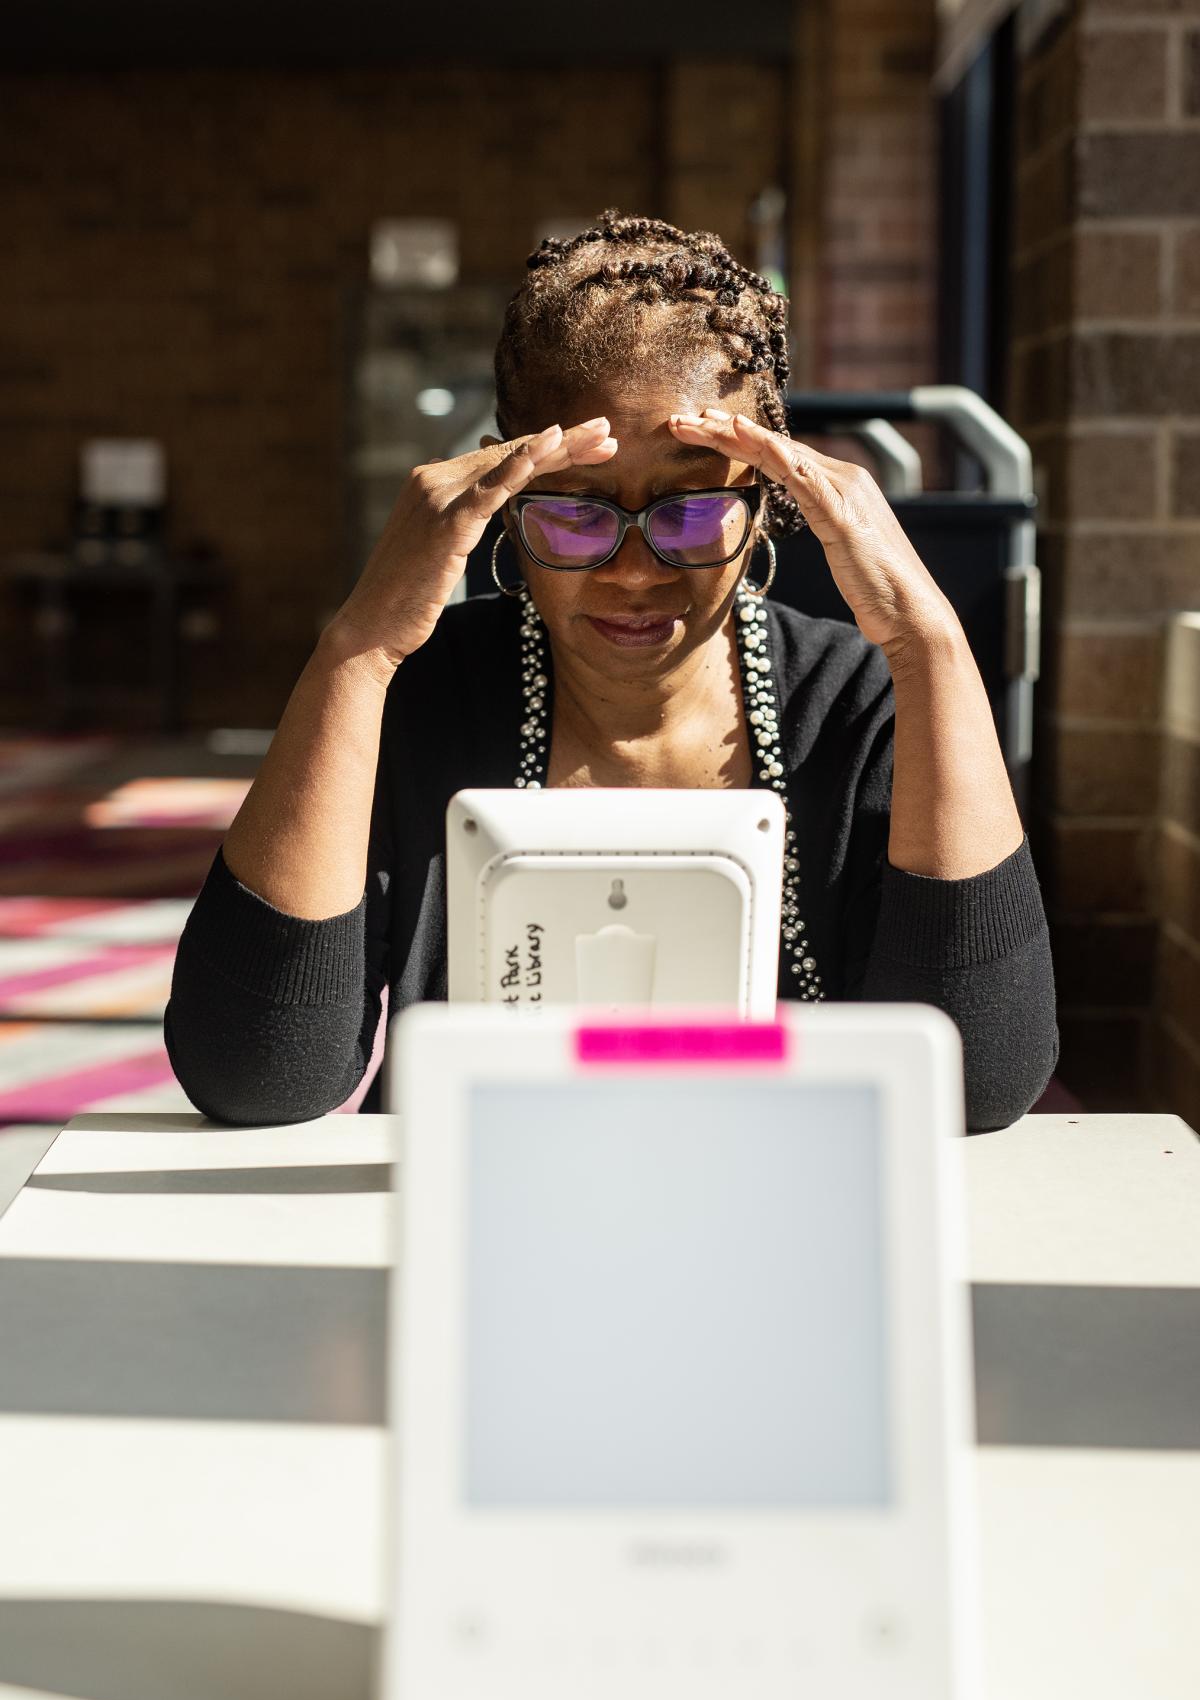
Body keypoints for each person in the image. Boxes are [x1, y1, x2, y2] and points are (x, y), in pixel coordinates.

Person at [166, 210, 1058, 1133]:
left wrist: (931, 646)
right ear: (503, 508)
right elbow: (256, 1074)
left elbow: (977, 1079)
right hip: (477, 1223)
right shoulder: (414, 696)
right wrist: (354, 653)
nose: (635, 571)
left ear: (765, 507)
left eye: (690, 508)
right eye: (576, 515)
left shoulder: (859, 705)